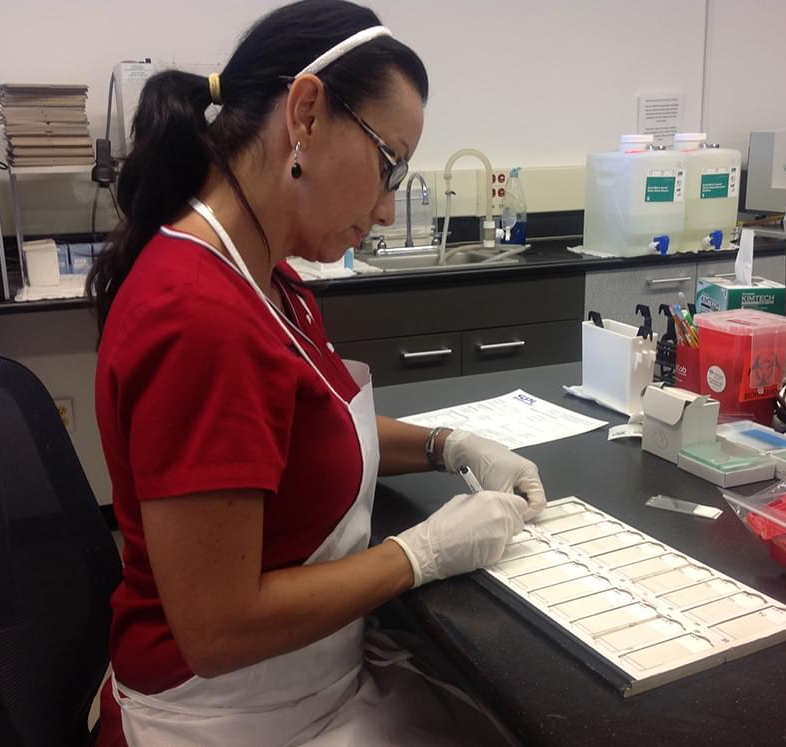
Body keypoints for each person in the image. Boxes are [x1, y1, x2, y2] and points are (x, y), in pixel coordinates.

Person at [86, 1, 547, 744]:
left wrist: (447, 444)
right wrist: (419, 554)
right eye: (389, 165)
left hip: (301, 682)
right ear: (305, 112)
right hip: (222, 713)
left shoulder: (270, 280)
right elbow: (218, 630)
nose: (388, 209)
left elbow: (307, 429)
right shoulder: (196, 316)